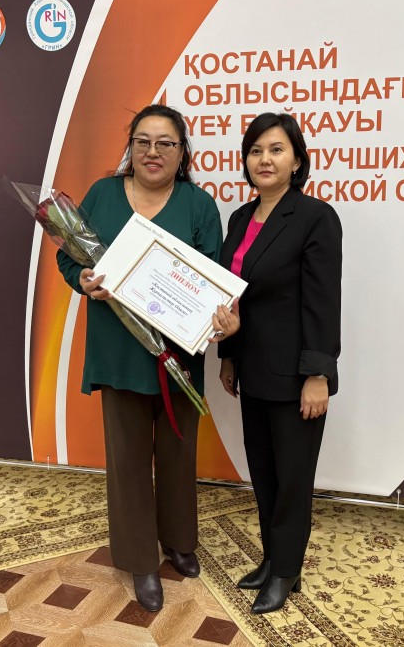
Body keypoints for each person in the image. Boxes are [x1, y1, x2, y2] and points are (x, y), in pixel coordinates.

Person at [56, 104, 239, 612]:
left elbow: (213, 277)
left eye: (165, 143)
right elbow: (69, 256)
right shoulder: (101, 194)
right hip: (118, 352)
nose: (152, 152)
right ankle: (140, 559)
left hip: (177, 357)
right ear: (130, 147)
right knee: (128, 462)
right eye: (143, 141)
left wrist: (216, 317)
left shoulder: (199, 205)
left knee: (178, 456)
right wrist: (82, 280)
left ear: (182, 153)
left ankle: (179, 542)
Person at [217, 112, 342, 614]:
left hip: (295, 376)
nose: (264, 160)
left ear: (297, 160)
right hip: (252, 369)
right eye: (255, 151)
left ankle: (287, 571)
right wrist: (228, 357)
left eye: (276, 150)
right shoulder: (240, 218)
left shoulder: (315, 217)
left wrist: (318, 374)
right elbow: (231, 296)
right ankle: (272, 559)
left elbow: (322, 302)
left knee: (292, 479)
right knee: (264, 473)